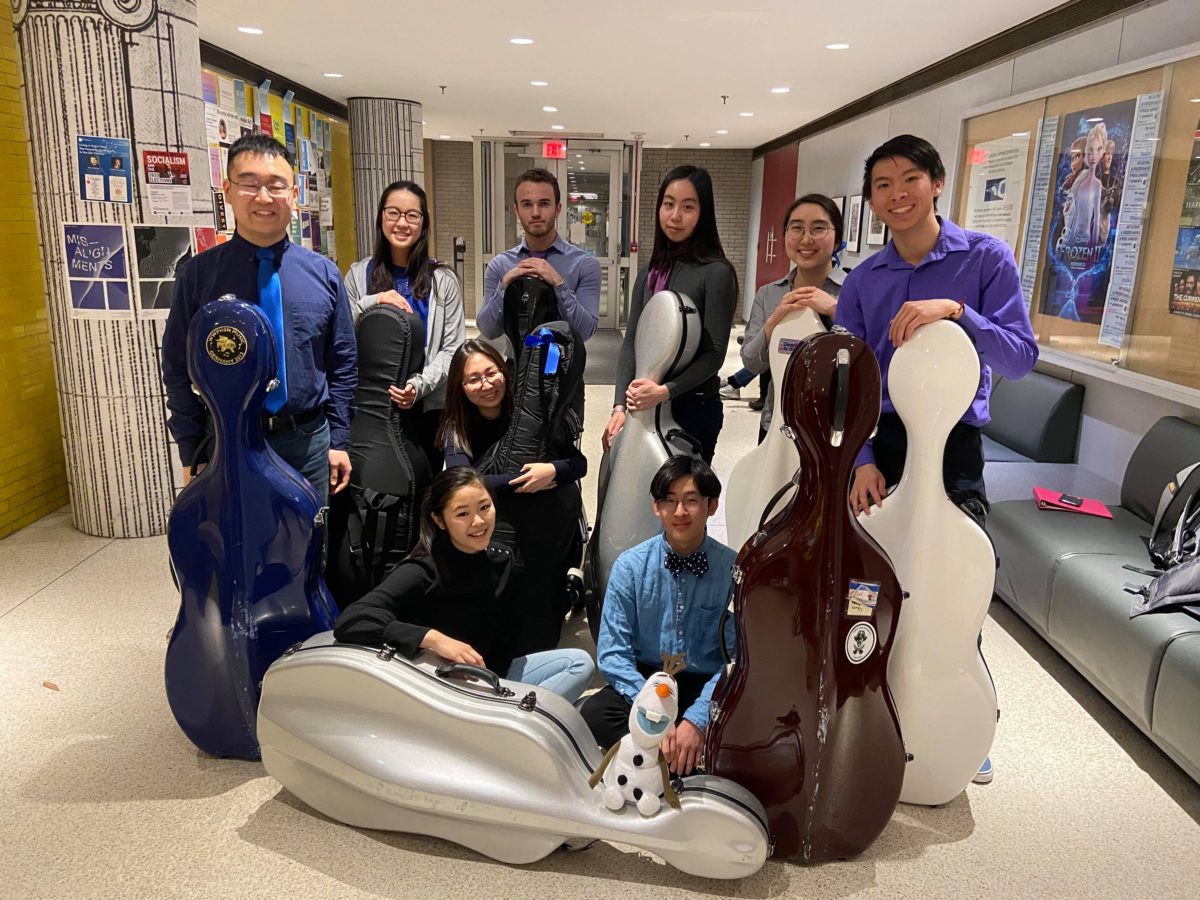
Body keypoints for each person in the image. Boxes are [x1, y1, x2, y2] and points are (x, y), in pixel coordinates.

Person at [836, 134, 1038, 786]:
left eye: (909, 180)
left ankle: (964, 722)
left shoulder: (985, 260)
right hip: (884, 445)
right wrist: (862, 457)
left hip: (955, 445)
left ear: (936, 183)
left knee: (955, 583)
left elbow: (1019, 356)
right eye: (882, 186)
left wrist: (957, 312)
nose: (897, 195)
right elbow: (850, 384)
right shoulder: (866, 281)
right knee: (869, 585)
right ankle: (870, 711)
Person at [162, 133, 356, 505]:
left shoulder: (324, 274)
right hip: (226, 440)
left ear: (294, 196)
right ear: (228, 191)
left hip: (308, 443)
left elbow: (342, 362)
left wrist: (339, 440)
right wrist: (191, 448)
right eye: (249, 184)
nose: (264, 197)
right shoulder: (199, 276)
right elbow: (175, 366)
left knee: (307, 549)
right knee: (236, 549)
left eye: (276, 186)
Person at [333, 467, 594, 702]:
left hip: (487, 676)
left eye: (484, 507)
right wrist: (432, 639)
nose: (479, 521)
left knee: (579, 663)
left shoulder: (501, 558)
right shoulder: (423, 568)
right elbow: (352, 620)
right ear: (439, 520)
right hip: (434, 683)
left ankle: (503, 719)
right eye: (462, 514)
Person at [580, 455, 735, 776]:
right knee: (594, 714)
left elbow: (735, 658)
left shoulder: (733, 571)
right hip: (646, 679)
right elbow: (612, 655)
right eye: (669, 501)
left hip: (702, 681)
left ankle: (655, 757)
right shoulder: (630, 566)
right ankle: (680, 760)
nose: (679, 512)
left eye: (691, 501)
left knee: (750, 724)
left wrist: (696, 719)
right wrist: (655, 715)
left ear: (713, 505)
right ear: (656, 507)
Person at [438, 340, 586, 656]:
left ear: (504, 372)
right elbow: (464, 480)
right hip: (495, 531)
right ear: (460, 386)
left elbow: (579, 463)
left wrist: (551, 470)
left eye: (491, 373)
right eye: (473, 379)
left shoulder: (528, 413)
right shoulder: (457, 427)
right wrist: (522, 480)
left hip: (544, 528)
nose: (486, 384)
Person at [603, 165, 738, 464]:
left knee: (682, 504)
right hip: (645, 406)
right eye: (668, 204)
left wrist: (665, 391)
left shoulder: (716, 273)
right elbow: (630, 345)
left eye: (688, 207)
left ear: (704, 213)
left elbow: (714, 355)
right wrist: (619, 407)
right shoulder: (650, 273)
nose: (675, 215)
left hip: (692, 407)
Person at [344, 180, 466, 469]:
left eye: (413, 215)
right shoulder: (358, 275)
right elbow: (343, 338)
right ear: (380, 218)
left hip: (427, 407)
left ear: (423, 223)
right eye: (393, 213)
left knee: (425, 489)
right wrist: (369, 303)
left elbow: (452, 349)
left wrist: (418, 386)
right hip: (370, 405)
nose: (402, 223)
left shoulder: (443, 280)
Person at [741, 193, 844, 444]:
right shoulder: (769, 293)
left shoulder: (854, 291)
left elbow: (871, 360)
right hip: (777, 425)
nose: (806, 239)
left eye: (818, 228)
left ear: (838, 236)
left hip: (836, 430)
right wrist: (773, 323)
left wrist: (836, 310)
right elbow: (752, 364)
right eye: (796, 228)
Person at [478, 167, 601, 345]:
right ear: (516, 210)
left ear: (558, 209)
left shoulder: (584, 265)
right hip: (515, 369)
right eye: (527, 204)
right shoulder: (500, 265)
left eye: (544, 203)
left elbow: (584, 332)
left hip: (565, 369)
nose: (535, 212)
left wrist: (559, 284)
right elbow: (489, 330)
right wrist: (504, 286)